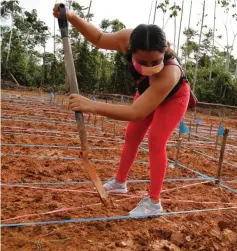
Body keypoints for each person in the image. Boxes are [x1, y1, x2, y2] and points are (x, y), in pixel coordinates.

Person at [53, 4, 190, 216]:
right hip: (147, 90)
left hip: (174, 97)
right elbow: (98, 37)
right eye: (142, 61)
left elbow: (137, 112)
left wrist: (91, 105)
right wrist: (71, 16)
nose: (150, 66)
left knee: (156, 140)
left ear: (165, 52)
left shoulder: (170, 73)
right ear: (130, 50)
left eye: (156, 61)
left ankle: (154, 202)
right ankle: (119, 182)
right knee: (132, 135)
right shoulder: (127, 39)